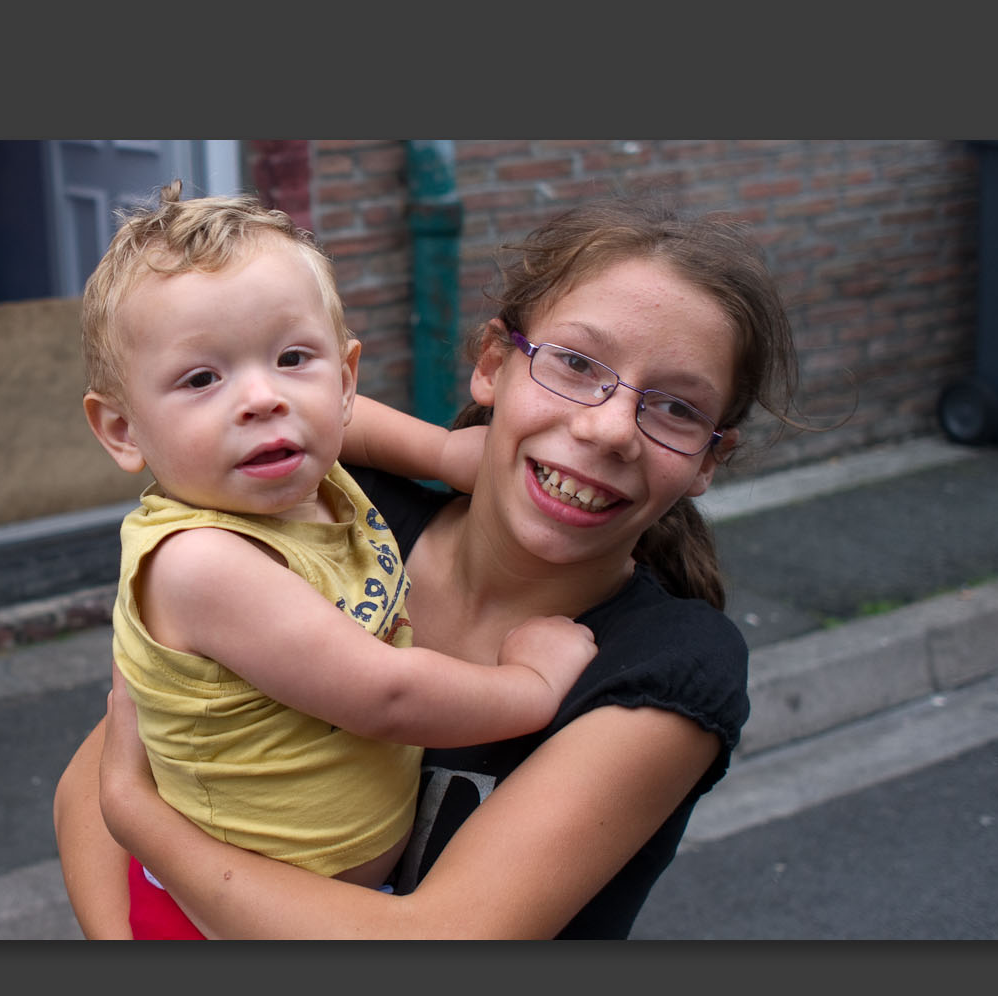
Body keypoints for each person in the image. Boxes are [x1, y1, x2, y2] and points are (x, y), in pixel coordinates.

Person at [54, 192, 804, 938]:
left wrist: (140, 820)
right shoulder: (309, 522)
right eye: (576, 364)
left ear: (710, 460)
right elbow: (109, 762)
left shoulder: (666, 667)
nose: (608, 429)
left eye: (677, 408)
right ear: (493, 364)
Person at [78, 182, 600, 938]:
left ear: (346, 378)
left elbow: (345, 427)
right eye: (202, 378)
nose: (262, 398)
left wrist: (445, 451)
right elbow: (385, 695)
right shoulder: (204, 561)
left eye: (292, 357)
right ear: (123, 430)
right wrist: (532, 683)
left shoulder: (296, 476)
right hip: (224, 920)